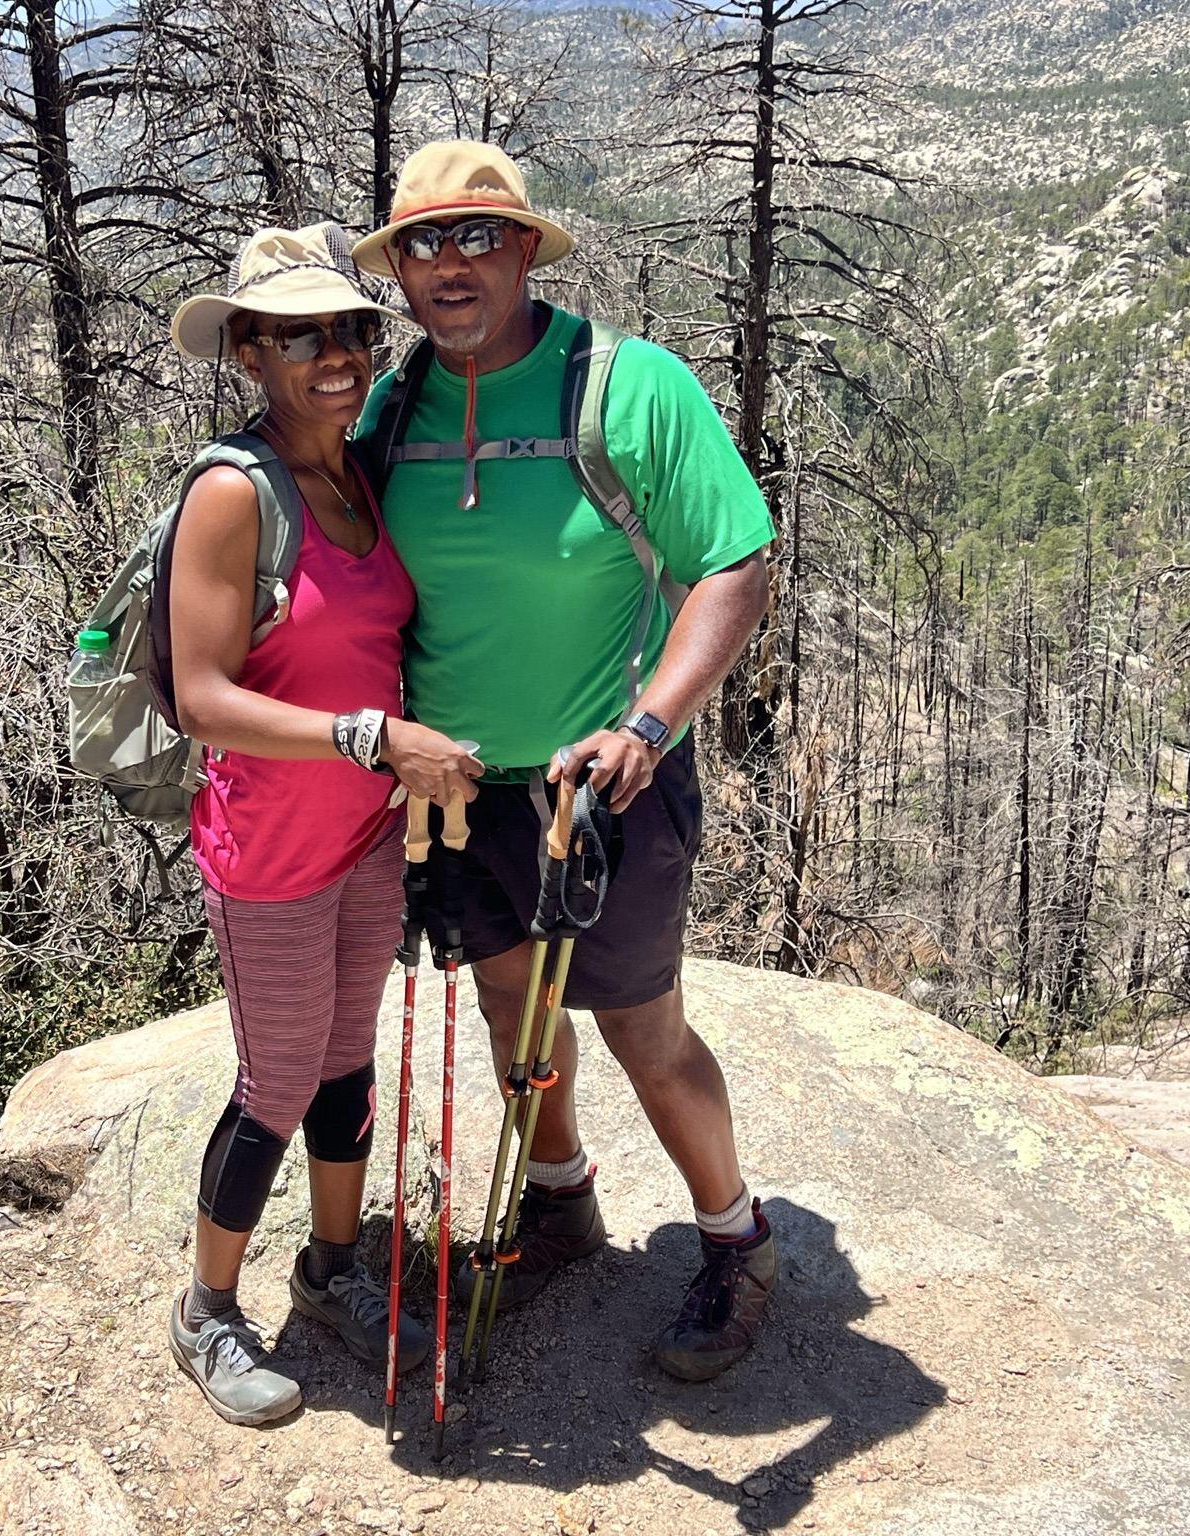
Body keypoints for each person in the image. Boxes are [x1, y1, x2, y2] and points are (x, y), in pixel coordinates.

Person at [352, 142, 778, 1381]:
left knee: (643, 1026)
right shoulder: (390, 408)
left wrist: (649, 726)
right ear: (399, 271)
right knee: (508, 1007)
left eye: (479, 236)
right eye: (423, 243)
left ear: (527, 249)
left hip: (605, 788)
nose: (451, 264)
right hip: (460, 791)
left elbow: (734, 564)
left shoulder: (630, 388)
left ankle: (737, 1239)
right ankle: (561, 1200)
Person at [163, 222, 482, 1425]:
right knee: (281, 1076)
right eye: (300, 338)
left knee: (348, 1059)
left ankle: (333, 1269)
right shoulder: (230, 494)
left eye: (349, 330)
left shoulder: (355, 472)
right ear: (249, 352)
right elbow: (204, 696)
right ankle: (206, 1309)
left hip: (362, 837)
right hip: (272, 850)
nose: (336, 355)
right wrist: (372, 738)